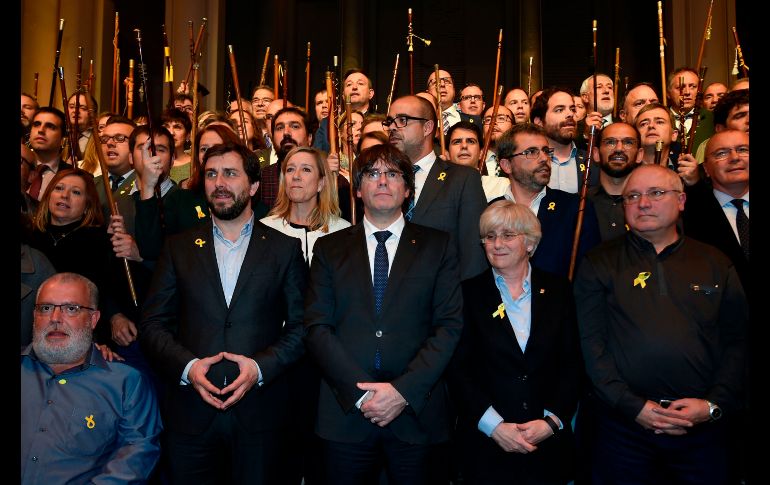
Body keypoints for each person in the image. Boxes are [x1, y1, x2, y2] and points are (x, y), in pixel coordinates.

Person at [140, 142, 307, 484]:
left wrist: (259, 367)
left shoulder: (284, 249)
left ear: (254, 187)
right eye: (212, 174)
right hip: (191, 414)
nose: (219, 183)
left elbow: (304, 326)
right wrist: (189, 367)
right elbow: (153, 324)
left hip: (261, 414)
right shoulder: (178, 248)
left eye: (231, 174)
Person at [574, 164, 747, 484]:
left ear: (681, 200)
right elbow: (591, 345)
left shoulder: (715, 262)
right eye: (633, 196)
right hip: (624, 429)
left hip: (701, 429)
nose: (643, 203)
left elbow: (738, 341)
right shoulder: (598, 262)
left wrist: (712, 404)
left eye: (656, 193)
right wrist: (632, 406)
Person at [304, 143, 463, 484]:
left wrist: (402, 391)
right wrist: (360, 394)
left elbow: (448, 327)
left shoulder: (439, 246)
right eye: (372, 174)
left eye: (392, 174)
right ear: (358, 189)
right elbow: (317, 327)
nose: (382, 182)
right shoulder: (329, 249)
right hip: (345, 415)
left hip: (417, 416)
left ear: (407, 189)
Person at [450, 200, 582, 484]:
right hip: (485, 446)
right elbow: (457, 370)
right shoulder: (466, 294)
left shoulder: (560, 291)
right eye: (489, 236)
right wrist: (494, 427)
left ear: (530, 243)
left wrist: (551, 422)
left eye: (508, 235)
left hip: (547, 445)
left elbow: (573, 364)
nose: (497, 244)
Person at [21, 273, 161, 484]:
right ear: (34, 316)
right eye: (46, 308)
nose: (55, 318)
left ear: (93, 319)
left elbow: (136, 458)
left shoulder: (126, 383)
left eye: (71, 309)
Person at [387, 94, 488, 281]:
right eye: (390, 121)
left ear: (427, 127)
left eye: (402, 120)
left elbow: (473, 253)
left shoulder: (462, 179)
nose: (392, 127)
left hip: (444, 300)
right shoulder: (382, 180)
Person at [494, 123, 601, 278]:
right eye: (531, 152)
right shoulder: (492, 210)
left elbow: (591, 274)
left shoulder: (577, 208)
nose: (544, 158)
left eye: (546, 151)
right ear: (506, 165)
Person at [261, 146, 351, 264]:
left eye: (306, 169)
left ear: (320, 183)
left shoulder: (342, 231)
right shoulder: (265, 230)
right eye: (290, 169)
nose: (296, 176)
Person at [532, 87, 598, 194]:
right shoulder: (527, 162)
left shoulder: (592, 162)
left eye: (572, 109)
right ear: (539, 122)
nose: (570, 114)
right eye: (559, 110)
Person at [587, 122, 643, 241]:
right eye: (610, 142)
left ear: (639, 154)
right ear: (596, 154)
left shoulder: (650, 205)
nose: (619, 148)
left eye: (628, 142)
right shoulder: (580, 203)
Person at [446, 120, 510, 202]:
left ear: (481, 153)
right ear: (447, 154)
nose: (464, 146)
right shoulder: (436, 188)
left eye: (471, 141)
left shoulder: (501, 186)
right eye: (457, 142)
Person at [26, 107, 74, 201]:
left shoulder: (74, 176)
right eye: (36, 124)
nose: (41, 130)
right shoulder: (23, 166)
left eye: (50, 126)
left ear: (63, 140)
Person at [162, 107, 193, 183]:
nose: (171, 132)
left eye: (177, 127)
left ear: (188, 135)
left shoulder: (194, 165)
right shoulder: (153, 161)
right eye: (166, 126)